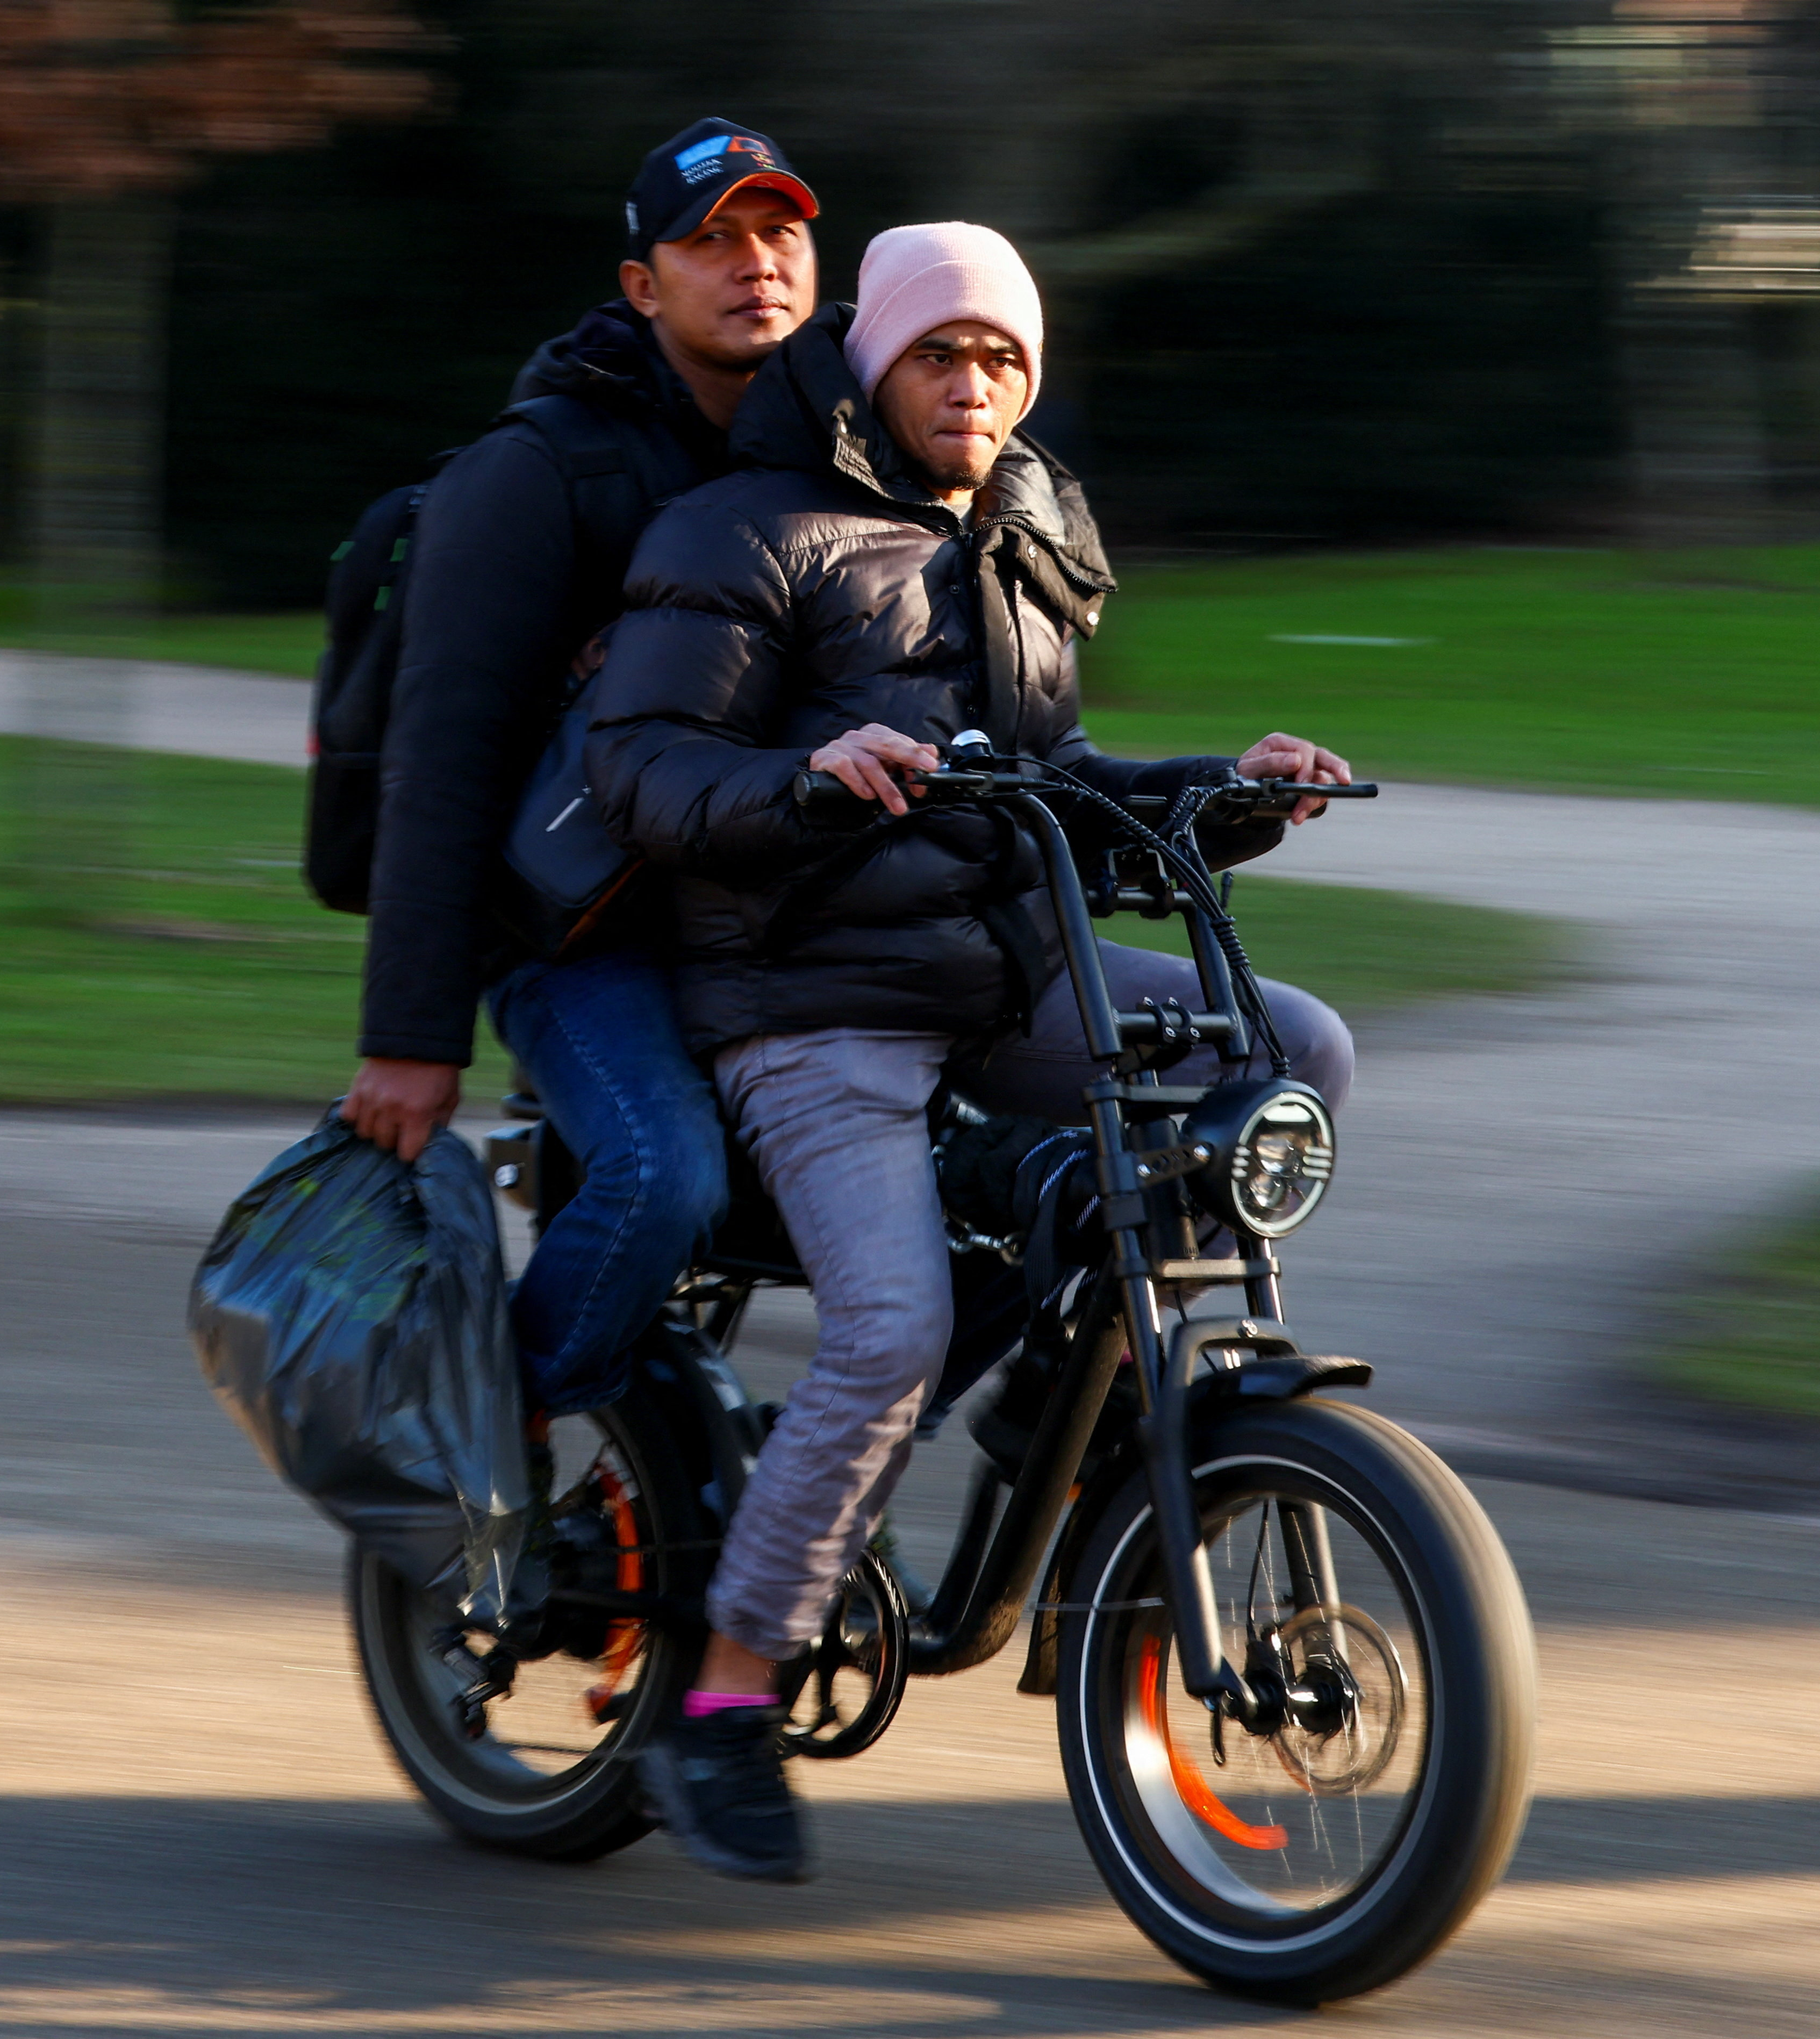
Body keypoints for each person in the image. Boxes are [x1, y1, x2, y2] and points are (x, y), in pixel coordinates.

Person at [585, 221, 1356, 1882]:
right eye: (943, 353)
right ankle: (720, 1704)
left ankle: (1053, 1417)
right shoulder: (747, 530)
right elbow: (643, 765)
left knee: (1287, 1045)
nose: (977, 383)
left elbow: (1051, 777)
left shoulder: (1017, 529)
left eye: (1005, 356)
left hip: (1004, 974)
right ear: (876, 363)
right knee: (888, 1326)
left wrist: (1229, 793)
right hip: (806, 996)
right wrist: (806, 778)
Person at [339, 118, 821, 1417]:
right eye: (709, 240)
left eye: (779, 232)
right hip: (571, 935)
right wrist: (410, 1037)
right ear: (641, 284)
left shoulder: (844, 457)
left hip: (763, 919)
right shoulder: (538, 472)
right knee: (663, 1175)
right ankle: (494, 1455)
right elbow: (438, 763)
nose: (754, 264)